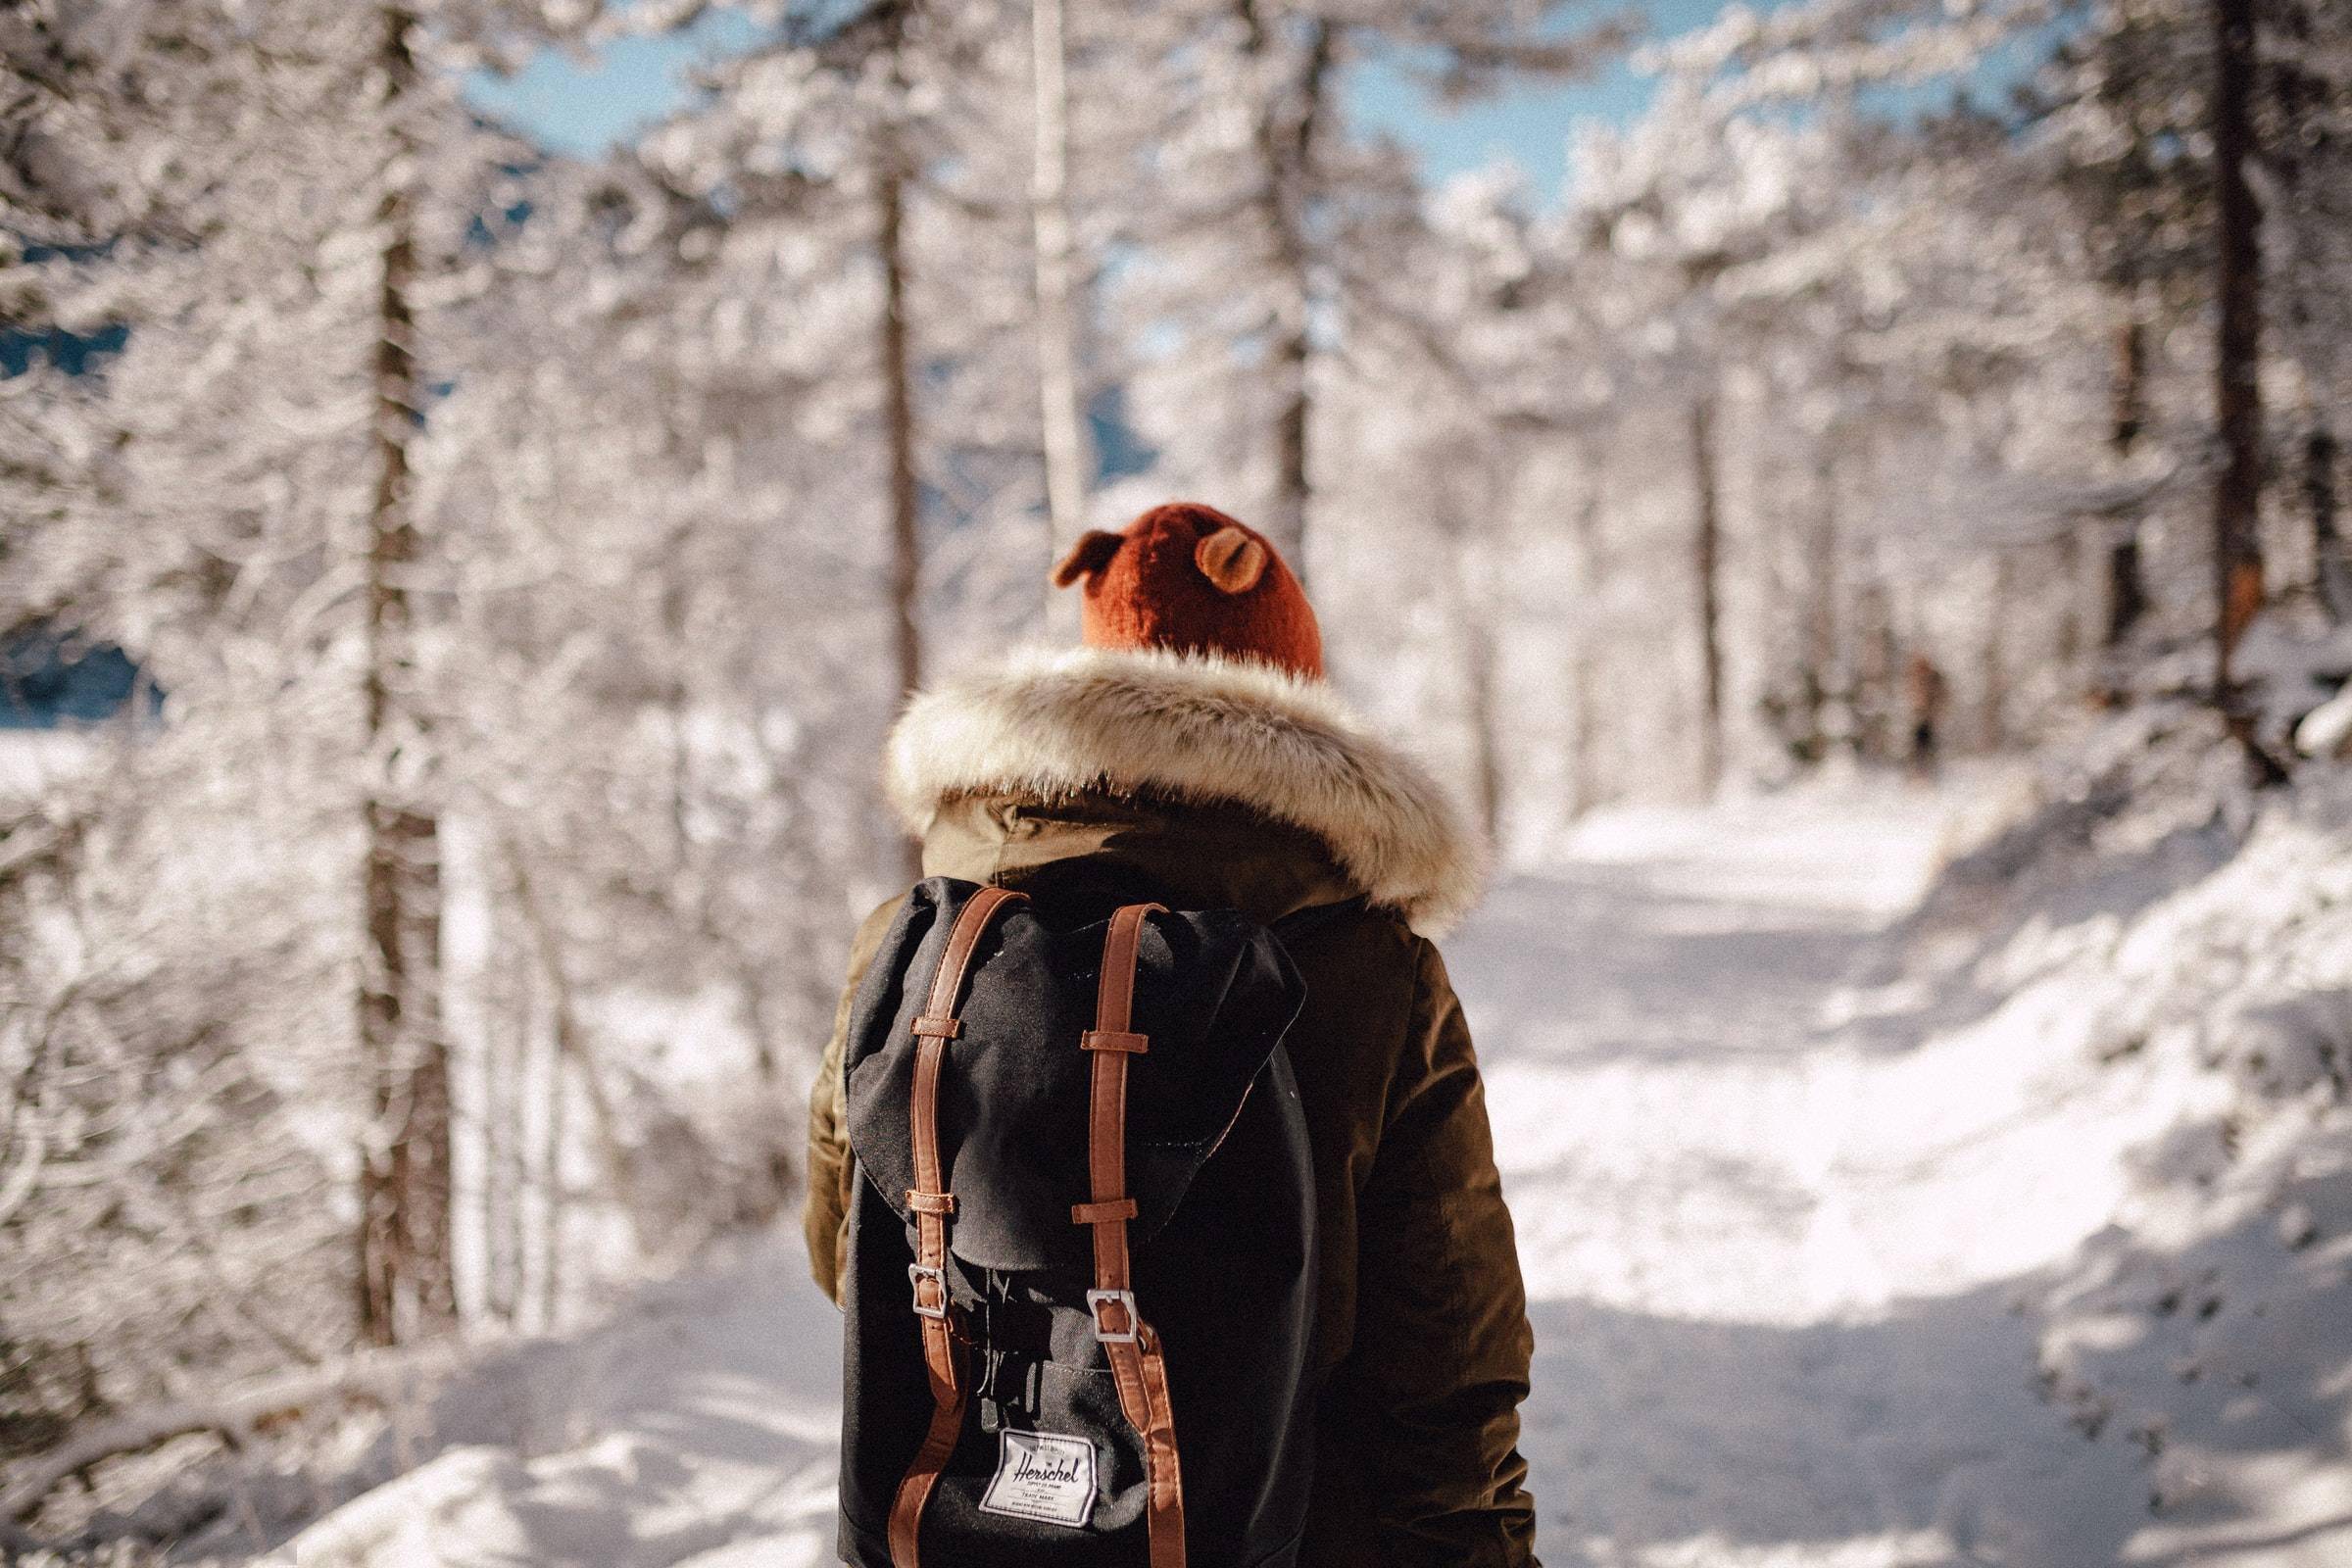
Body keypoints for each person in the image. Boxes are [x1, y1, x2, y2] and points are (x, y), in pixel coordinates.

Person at [804, 500, 1538, 1567]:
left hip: (961, 1521)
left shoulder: (917, 940)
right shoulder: (1366, 968)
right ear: (1292, 693)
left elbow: (844, 1254)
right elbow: (1447, 1355)